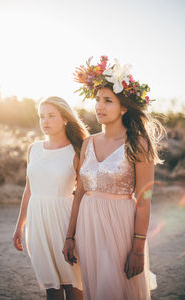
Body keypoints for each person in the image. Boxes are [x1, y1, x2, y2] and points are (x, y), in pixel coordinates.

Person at [63, 56, 164, 300]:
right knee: (95, 288)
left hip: (120, 225)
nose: (99, 106)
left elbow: (144, 200)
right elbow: (80, 193)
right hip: (88, 226)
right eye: (97, 100)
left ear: (124, 107)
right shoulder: (88, 143)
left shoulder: (138, 144)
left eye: (108, 101)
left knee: (115, 289)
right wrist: (70, 236)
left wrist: (138, 249)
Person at [13, 96, 88, 300]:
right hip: (37, 223)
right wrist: (20, 225)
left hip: (65, 222)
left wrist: (71, 236)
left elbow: (81, 195)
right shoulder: (33, 149)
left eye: (51, 116)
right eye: (41, 117)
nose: (45, 121)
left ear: (65, 118)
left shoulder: (77, 151)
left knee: (74, 286)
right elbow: (29, 190)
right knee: (51, 289)